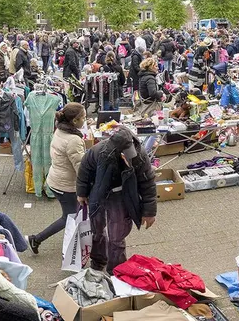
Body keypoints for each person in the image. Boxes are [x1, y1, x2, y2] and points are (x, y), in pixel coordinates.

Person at [76, 126, 157, 273]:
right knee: (97, 231)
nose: (128, 159)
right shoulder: (97, 151)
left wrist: (149, 212)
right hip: (98, 194)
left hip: (121, 195)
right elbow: (84, 172)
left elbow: (147, 182)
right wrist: (81, 193)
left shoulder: (139, 156)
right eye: (124, 156)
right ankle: (98, 262)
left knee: (117, 236)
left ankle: (116, 270)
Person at [26, 103, 86, 254]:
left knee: (73, 214)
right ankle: (37, 238)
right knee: (69, 216)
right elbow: (81, 168)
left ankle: (75, 236)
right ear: (75, 121)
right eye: (84, 117)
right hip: (65, 185)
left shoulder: (60, 130)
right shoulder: (73, 139)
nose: (85, 120)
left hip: (56, 180)